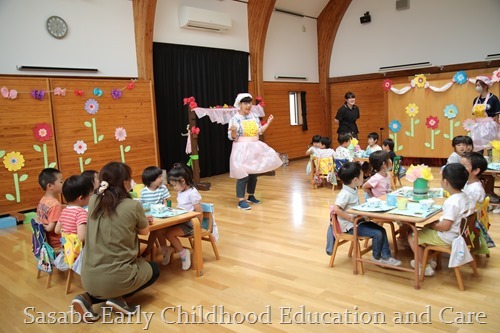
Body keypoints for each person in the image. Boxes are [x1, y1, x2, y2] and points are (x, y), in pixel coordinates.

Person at [72, 162, 159, 320]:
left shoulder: (94, 201)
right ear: (125, 183)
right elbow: (144, 231)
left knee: (126, 267)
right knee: (154, 269)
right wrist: (142, 220)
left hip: (87, 277)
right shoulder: (132, 205)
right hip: (117, 279)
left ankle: (87, 298)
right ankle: (117, 299)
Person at [407, 163, 473, 277]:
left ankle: (424, 265)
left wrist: (434, 225)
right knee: (425, 230)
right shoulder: (465, 197)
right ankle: (429, 259)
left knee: (413, 236)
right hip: (461, 235)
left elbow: (445, 226)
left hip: (448, 237)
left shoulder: (452, 202)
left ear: (445, 182)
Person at [334, 162, 401, 266]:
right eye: (362, 175)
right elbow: (336, 209)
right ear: (355, 180)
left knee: (381, 230)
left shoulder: (352, 189)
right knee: (377, 233)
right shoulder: (345, 194)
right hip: (351, 227)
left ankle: (386, 257)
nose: (364, 177)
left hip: (358, 222)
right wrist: (349, 218)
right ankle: (376, 257)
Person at [228, 93, 283, 210]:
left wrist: (268, 123)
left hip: (254, 147)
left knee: (254, 173)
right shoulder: (235, 119)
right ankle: (241, 200)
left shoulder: (254, 116)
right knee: (242, 174)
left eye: (249, 103)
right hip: (241, 148)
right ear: (239, 104)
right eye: (245, 103)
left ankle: (251, 195)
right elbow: (233, 137)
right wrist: (233, 131)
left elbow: (259, 131)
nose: (248, 105)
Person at [165, 163, 202, 270]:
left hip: (191, 224)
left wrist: (197, 226)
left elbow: (199, 211)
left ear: (183, 181)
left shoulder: (192, 193)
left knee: (170, 234)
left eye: (174, 185)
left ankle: (183, 253)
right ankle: (167, 250)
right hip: (182, 220)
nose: (174, 188)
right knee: (161, 230)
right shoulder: (182, 191)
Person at [140, 166, 172, 265]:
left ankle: (151, 251)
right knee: (154, 230)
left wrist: (166, 208)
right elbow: (142, 206)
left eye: (161, 176)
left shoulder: (163, 188)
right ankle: (164, 250)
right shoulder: (144, 192)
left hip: (162, 216)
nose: (162, 179)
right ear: (150, 180)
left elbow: (168, 201)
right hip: (150, 217)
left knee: (156, 230)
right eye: (159, 177)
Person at [54, 175, 94, 243]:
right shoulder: (81, 213)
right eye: (90, 195)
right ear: (81, 198)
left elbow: (57, 230)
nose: (91, 197)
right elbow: (82, 237)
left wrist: (68, 233)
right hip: (78, 250)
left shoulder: (65, 211)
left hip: (67, 247)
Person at [470, 76, 500, 153]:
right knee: (478, 147)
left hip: (490, 126)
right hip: (478, 126)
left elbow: (497, 114)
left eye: (479, 85)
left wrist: (496, 127)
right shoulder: (476, 100)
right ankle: (479, 163)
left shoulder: (493, 98)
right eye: (476, 86)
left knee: (490, 146)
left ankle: (492, 163)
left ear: (485, 86)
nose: (477, 87)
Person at [36, 168, 64, 249]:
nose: (63, 184)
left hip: (46, 241)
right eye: (61, 182)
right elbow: (50, 228)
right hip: (57, 243)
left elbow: (38, 216)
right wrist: (44, 226)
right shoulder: (55, 205)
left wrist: (40, 225)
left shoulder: (43, 199)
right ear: (50, 186)